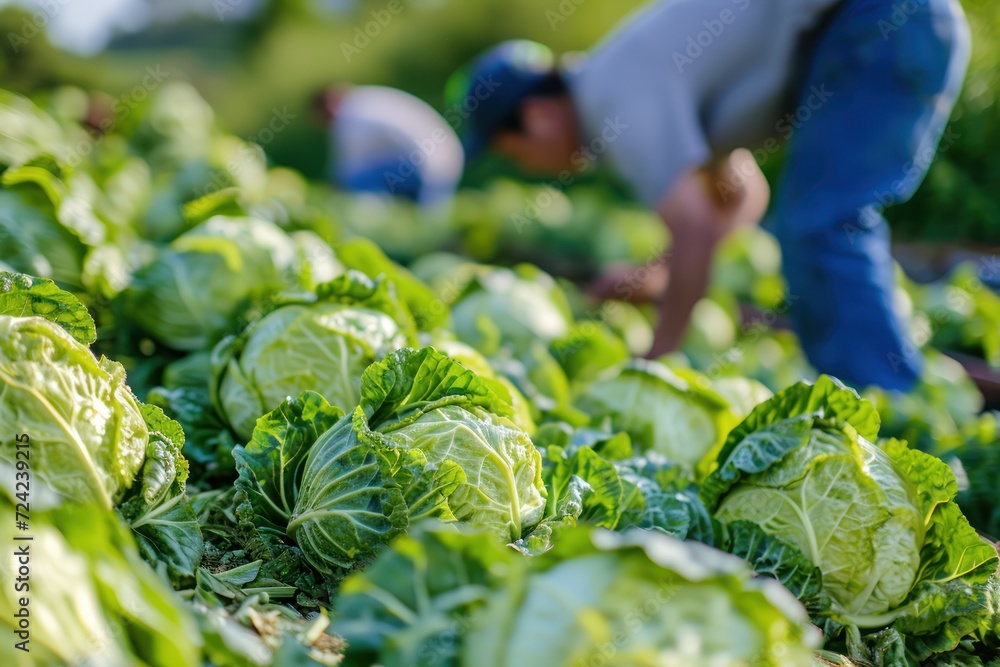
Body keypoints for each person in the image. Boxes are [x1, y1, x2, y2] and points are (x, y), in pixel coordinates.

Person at [445, 0, 971, 392]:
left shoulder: (610, 98)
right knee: (816, 222)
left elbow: (696, 223)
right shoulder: (620, 84)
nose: (526, 167)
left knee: (822, 225)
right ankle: (879, 399)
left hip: (878, 25)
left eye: (513, 153)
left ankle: (891, 406)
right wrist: (657, 272)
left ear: (537, 118)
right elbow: (740, 197)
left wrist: (657, 357)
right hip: (885, 27)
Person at [312, 85, 464, 210]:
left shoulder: (349, 116)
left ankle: (373, 222)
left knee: (356, 180)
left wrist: (324, 196)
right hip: (446, 159)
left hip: (428, 168)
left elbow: (346, 169)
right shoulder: (365, 99)